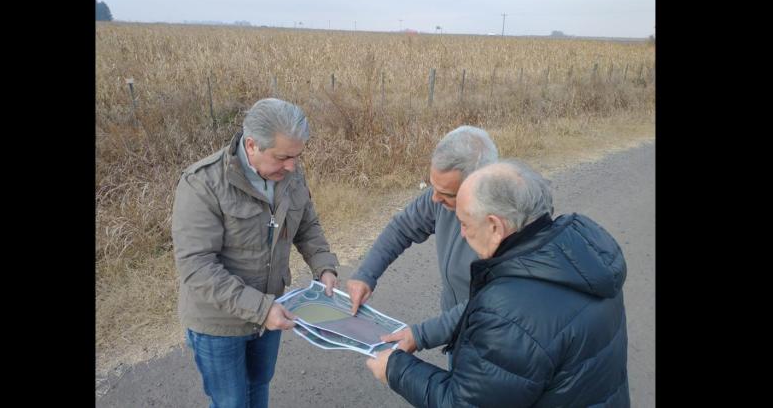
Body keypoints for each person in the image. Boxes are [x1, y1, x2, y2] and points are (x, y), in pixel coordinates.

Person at [366, 159, 630, 407]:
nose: (461, 232)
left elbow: (465, 403)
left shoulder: (506, 310)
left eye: (465, 223)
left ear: (495, 227)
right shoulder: (580, 256)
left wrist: (395, 369)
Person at [172, 98, 340, 408]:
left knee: (258, 387)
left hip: (269, 316)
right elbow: (197, 267)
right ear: (252, 145)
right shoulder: (203, 184)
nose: (292, 166)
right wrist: (261, 309)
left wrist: (325, 267)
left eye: (297, 156)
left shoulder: (290, 176)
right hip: (219, 324)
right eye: (283, 157)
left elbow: (307, 226)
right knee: (231, 402)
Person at [345, 125, 498, 363]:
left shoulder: (508, 226)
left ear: (480, 187)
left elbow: (490, 303)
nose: (435, 199)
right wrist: (366, 274)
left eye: (446, 193)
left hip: (496, 341)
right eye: (432, 186)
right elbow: (402, 227)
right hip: (458, 335)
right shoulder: (440, 198)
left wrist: (420, 335)